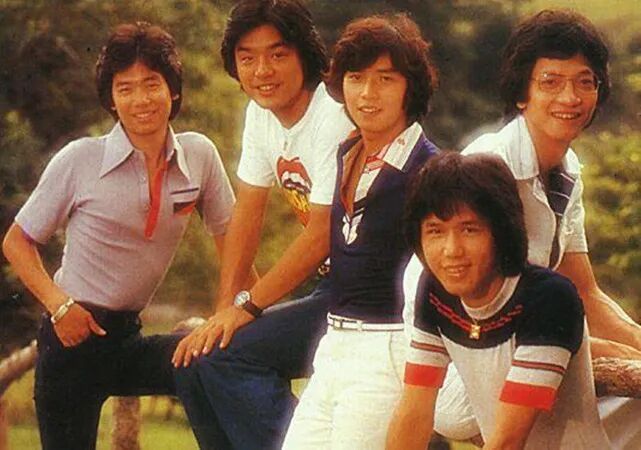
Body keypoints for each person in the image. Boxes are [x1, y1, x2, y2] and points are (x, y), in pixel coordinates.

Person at [402, 9, 641, 447]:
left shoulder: (567, 172)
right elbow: (501, 309)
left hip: (526, 343)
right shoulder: (492, 167)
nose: (570, 97)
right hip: (461, 363)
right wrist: (611, 352)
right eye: (550, 82)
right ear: (521, 93)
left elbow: (585, 292)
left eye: (584, 82)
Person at [1, 22, 235, 450]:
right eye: (125, 88)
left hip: (129, 339)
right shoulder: (80, 159)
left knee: (215, 366)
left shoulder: (199, 155)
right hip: (71, 338)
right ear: (111, 98)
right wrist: (60, 307)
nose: (140, 99)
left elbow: (234, 243)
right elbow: (16, 242)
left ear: (173, 90)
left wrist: (242, 314)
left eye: (151, 84)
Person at [171, 0, 354, 448]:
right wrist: (223, 312)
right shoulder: (260, 115)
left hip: (366, 294)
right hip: (330, 290)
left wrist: (247, 307)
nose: (262, 71)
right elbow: (247, 215)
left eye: (277, 54)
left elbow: (321, 235)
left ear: (304, 55)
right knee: (198, 356)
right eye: (247, 58)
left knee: (225, 359)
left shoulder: (334, 115)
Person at [281, 14, 439, 449]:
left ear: (410, 87)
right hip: (334, 344)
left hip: (388, 349)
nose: (368, 93)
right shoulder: (346, 153)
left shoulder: (430, 170)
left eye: (385, 79)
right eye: (356, 78)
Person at [387, 151, 611, 450]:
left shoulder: (548, 298)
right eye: (435, 231)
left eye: (469, 229)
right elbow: (413, 412)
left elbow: (508, 441)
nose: (452, 250)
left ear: (501, 230)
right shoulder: (436, 291)